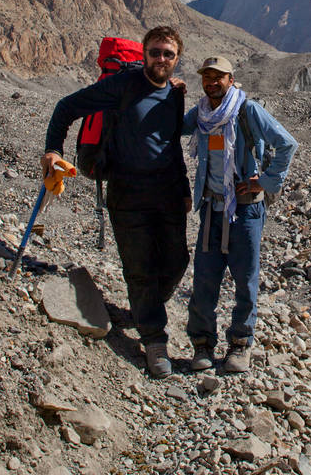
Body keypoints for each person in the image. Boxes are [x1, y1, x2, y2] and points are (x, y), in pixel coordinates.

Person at [41, 26, 190, 378]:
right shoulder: (123, 85)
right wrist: (53, 149)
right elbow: (67, 107)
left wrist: (183, 189)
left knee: (177, 261)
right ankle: (154, 340)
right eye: (155, 52)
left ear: (177, 59)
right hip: (127, 194)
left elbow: (172, 146)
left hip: (167, 194)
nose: (161, 59)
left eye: (168, 54)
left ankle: (144, 309)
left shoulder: (175, 94)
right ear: (143, 54)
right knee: (140, 269)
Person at [183, 55, 297, 373]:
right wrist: (167, 93)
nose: (212, 81)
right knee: (204, 281)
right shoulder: (203, 113)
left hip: (245, 211)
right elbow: (176, 127)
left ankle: (240, 344)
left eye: (219, 76)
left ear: (231, 80)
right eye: (207, 76)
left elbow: (287, 144)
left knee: (245, 282)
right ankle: (202, 345)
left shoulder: (247, 111)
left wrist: (266, 181)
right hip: (211, 209)